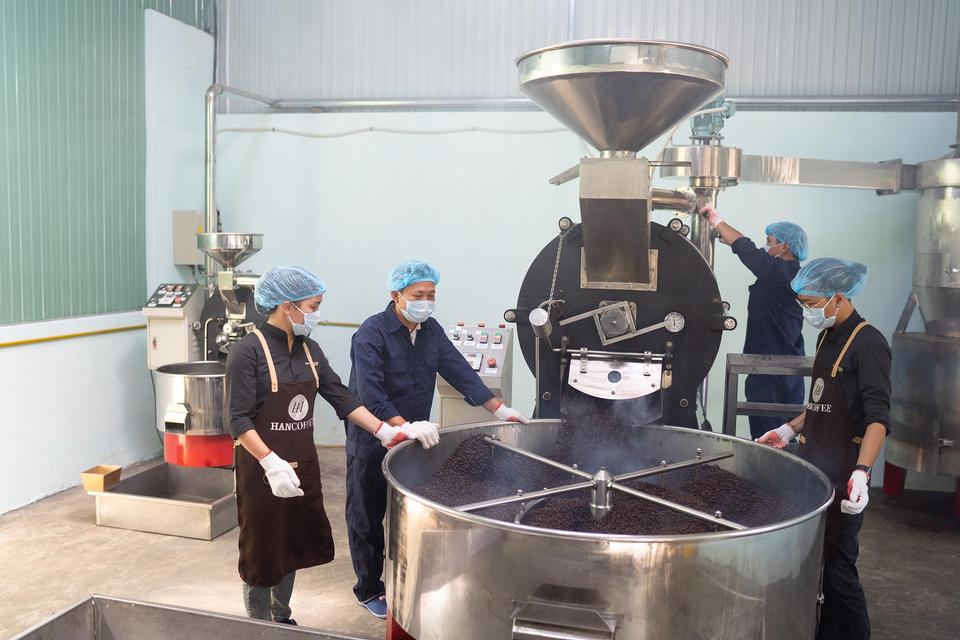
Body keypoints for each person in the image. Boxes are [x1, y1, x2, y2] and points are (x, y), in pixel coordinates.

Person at [226, 265, 439, 624]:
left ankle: (282, 616)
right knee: (261, 549)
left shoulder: (309, 350)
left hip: (302, 463)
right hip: (263, 469)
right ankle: (259, 627)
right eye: (313, 306)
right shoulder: (248, 352)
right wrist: (270, 462)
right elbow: (238, 420)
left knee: (290, 544)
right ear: (287, 306)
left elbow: (342, 397)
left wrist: (385, 431)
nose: (317, 315)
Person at [345, 259, 531, 618]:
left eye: (431, 294)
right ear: (396, 295)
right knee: (366, 517)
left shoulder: (430, 331)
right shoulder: (371, 333)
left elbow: (460, 371)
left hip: (414, 441)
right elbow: (370, 393)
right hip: (374, 439)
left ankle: (407, 576)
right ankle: (368, 589)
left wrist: (500, 410)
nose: (426, 302)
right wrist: (402, 425)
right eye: (418, 295)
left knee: (408, 511)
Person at [755, 257, 890, 640]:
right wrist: (788, 429)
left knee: (839, 571)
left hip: (846, 475)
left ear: (838, 297)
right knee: (819, 566)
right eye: (803, 304)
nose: (807, 312)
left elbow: (878, 418)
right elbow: (819, 402)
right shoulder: (827, 337)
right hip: (815, 470)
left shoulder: (870, 343)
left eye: (812, 304)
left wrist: (862, 473)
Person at [701, 207, 807, 439]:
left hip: (772, 374)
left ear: (784, 246)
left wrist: (716, 220)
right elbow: (750, 251)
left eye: (769, 241)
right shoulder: (788, 273)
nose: (766, 246)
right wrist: (732, 242)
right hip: (784, 372)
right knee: (781, 441)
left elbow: (747, 249)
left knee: (768, 440)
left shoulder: (780, 272)